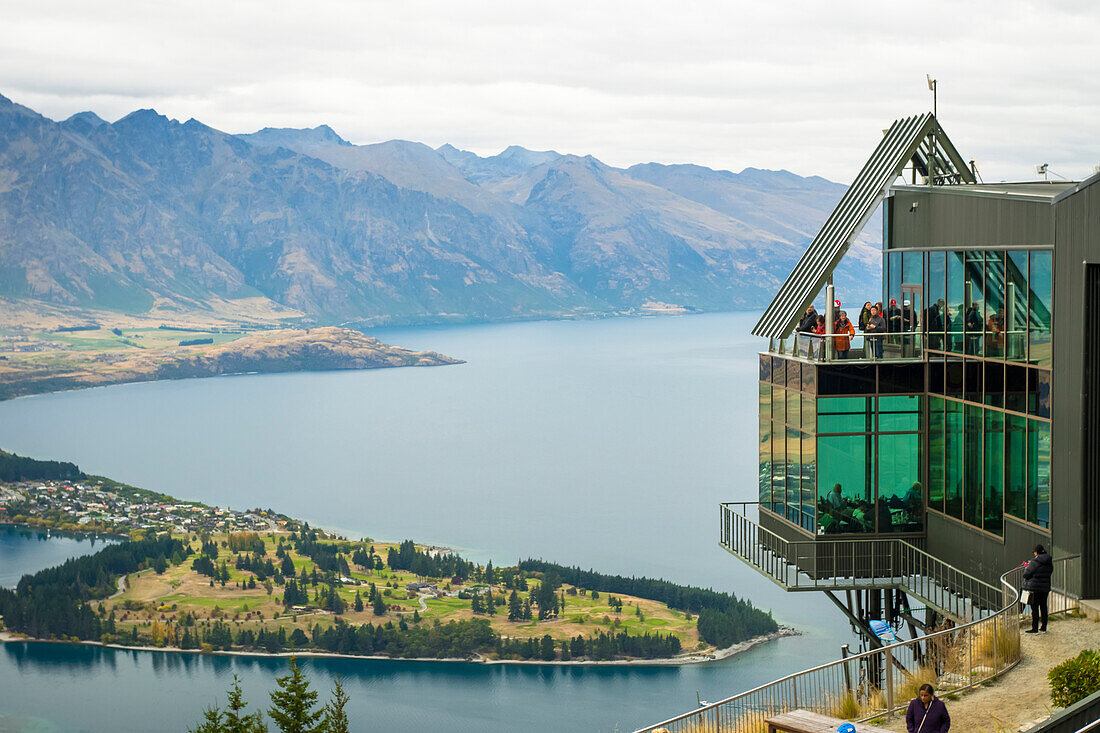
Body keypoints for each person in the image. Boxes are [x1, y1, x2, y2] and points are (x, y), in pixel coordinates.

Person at [1024, 544, 1053, 633]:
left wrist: (1027, 567)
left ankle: (1035, 628)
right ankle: (1044, 627)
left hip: (1035, 588)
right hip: (1045, 587)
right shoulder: (1048, 561)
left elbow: (1026, 574)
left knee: (1035, 607)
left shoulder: (1034, 562)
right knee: (1043, 606)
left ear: (1037, 552)